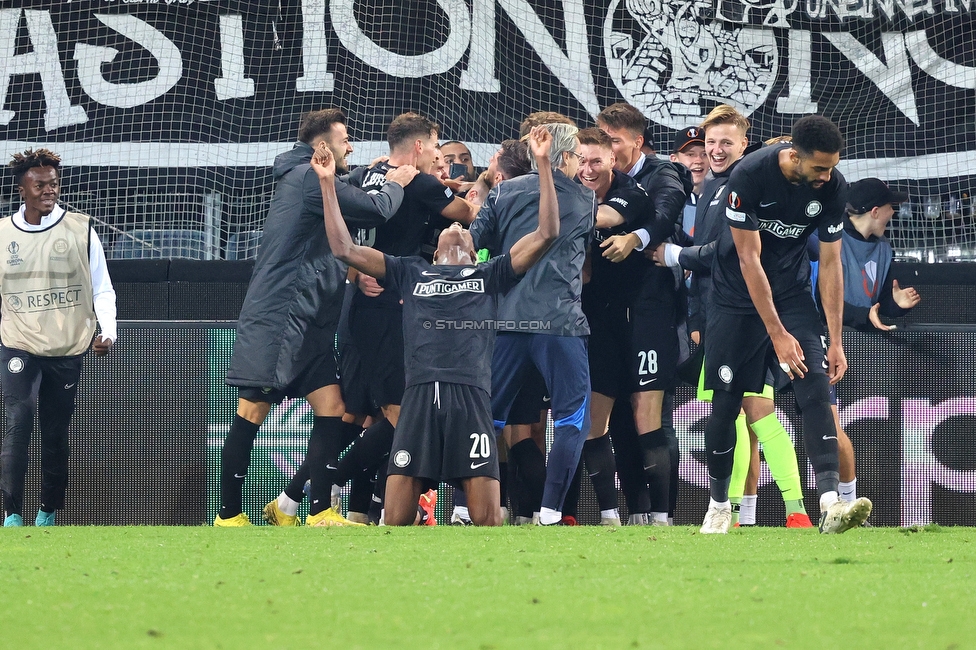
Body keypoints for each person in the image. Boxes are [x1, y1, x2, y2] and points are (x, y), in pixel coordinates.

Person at [312, 125, 560, 525]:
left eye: (463, 227)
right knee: (394, 522)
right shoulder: (410, 271)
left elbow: (547, 232)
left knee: (486, 522)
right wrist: (327, 184)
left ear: (472, 249)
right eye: (453, 225)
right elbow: (344, 248)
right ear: (437, 243)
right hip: (418, 400)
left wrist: (544, 163)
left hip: (472, 398)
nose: (458, 227)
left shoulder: (491, 274)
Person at [214, 108, 417, 527]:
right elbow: (374, 210)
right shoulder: (307, 178)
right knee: (252, 411)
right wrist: (395, 183)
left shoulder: (314, 177)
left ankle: (320, 511)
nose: (352, 146)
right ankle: (228, 516)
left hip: (310, 321)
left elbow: (331, 216)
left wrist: (360, 172)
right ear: (322, 147)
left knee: (331, 407)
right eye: (345, 140)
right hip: (280, 317)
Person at [699, 114, 872, 534]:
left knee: (814, 383)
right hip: (735, 298)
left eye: (832, 166)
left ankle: (830, 504)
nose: (827, 175)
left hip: (792, 295)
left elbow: (831, 263)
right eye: (819, 167)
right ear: (794, 155)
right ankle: (720, 505)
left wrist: (835, 340)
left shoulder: (832, 186)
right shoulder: (750, 176)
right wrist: (776, 334)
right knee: (725, 407)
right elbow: (748, 259)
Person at [654, 106, 813, 528]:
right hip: (719, 312)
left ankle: (792, 509)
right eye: (711, 144)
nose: (716, 150)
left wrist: (674, 254)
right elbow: (711, 252)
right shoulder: (710, 186)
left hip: (750, 313)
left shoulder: (748, 184)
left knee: (754, 408)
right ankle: (747, 513)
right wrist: (697, 314)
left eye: (726, 142)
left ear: (745, 144)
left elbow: (728, 253)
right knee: (739, 410)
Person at [470, 120, 596, 526]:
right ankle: (550, 512)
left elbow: (473, 243)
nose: (582, 164)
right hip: (560, 324)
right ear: (563, 158)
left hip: (504, 322)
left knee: (486, 418)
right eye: (578, 155)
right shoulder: (583, 199)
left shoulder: (504, 191)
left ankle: (462, 507)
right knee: (572, 418)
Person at [1, 148, 117, 527]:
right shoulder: (3, 235)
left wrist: (108, 331)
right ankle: (11, 514)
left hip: (66, 347)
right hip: (18, 343)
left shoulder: (81, 229)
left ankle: (47, 511)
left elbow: (102, 289)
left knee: (54, 434)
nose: (49, 191)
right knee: (19, 421)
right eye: (40, 185)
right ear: (22, 190)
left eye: (53, 184)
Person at [596, 102, 691, 525]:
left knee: (647, 411)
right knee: (616, 415)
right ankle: (635, 511)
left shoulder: (661, 173)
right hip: (607, 308)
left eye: (614, 140)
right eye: (603, 138)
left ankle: (662, 514)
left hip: (651, 306)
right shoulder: (596, 178)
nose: (608, 148)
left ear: (637, 142)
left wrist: (636, 238)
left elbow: (668, 210)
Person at [817, 178, 920, 510]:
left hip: (865, 356)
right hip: (822, 343)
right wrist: (864, 316)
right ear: (875, 211)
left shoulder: (885, 249)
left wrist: (894, 305)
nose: (894, 213)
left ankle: (844, 506)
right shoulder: (829, 239)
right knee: (826, 428)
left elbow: (878, 308)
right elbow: (823, 300)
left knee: (849, 433)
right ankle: (833, 505)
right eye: (891, 207)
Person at [575, 126, 658, 526]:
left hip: (635, 319)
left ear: (612, 158)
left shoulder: (633, 190)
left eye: (596, 161)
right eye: (581, 161)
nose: (588, 170)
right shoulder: (568, 185)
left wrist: (550, 202)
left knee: (632, 423)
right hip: (585, 319)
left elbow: (608, 216)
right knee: (591, 422)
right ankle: (609, 514)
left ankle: (652, 512)